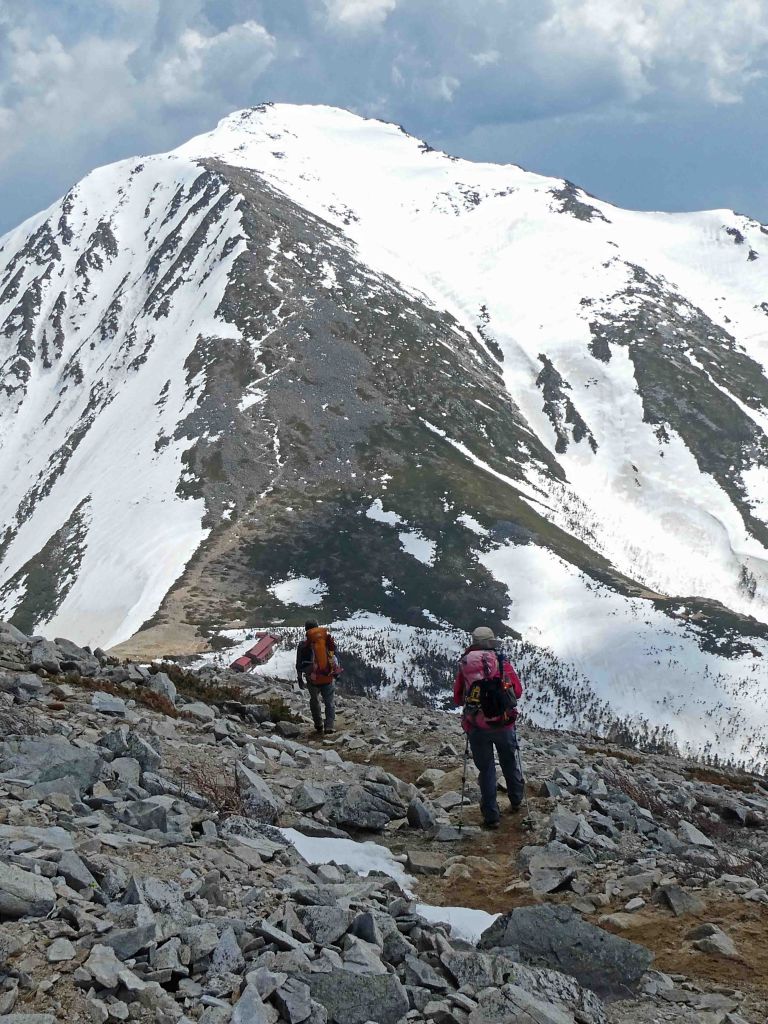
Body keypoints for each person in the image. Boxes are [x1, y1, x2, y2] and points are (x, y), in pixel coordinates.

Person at [453, 625, 524, 828]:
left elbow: (458, 698)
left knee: (486, 770)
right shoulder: (501, 663)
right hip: (503, 723)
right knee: (509, 761)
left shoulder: (465, 665)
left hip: (476, 726)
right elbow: (516, 692)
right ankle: (517, 798)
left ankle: (491, 816)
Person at [296, 619, 337, 734]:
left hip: (312, 678)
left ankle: (318, 724)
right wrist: (335, 672)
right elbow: (334, 655)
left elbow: (299, 663)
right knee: (329, 701)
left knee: (314, 700)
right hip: (327, 677)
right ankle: (329, 725)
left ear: (306, 630)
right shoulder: (326, 640)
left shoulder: (303, 644)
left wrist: (300, 678)